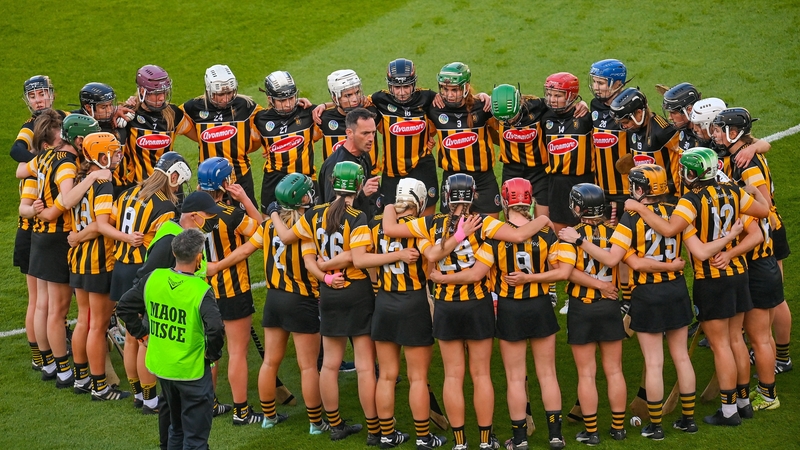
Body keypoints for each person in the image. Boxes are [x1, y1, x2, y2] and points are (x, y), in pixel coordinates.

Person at [560, 165, 742, 439]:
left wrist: (580, 240)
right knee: (681, 357)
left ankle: (656, 426)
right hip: (677, 290)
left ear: (640, 189)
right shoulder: (678, 212)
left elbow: (612, 259)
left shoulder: (630, 218)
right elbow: (700, 252)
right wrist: (729, 237)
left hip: (647, 293)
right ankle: (688, 420)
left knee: (654, 362)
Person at [382, 173, 553, 450]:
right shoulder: (483, 222)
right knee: (481, 375)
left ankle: (460, 442)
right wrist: (544, 219)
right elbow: (521, 233)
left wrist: (391, 205)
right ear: (474, 195)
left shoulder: (431, 222)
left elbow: (390, 229)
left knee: (452, 376)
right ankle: (485, 441)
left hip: (447, 307)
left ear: (446, 197)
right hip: (477, 305)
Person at [624, 147, 770, 426]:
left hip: (711, 279)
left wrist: (640, 207)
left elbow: (669, 230)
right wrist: (752, 191)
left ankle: (728, 412)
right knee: (736, 339)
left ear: (693, 173)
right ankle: (743, 403)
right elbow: (763, 211)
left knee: (720, 346)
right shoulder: (733, 192)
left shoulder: (690, 201)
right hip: (739, 274)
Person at [430, 177, 571, 450]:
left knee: (515, 377)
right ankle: (555, 435)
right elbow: (562, 272)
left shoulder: (495, 236)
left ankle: (518, 439)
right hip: (541, 305)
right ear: (529, 200)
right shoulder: (546, 233)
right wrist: (535, 278)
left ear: (505, 201)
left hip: (509, 308)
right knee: (548, 374)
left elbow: (476, 274)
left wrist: (441, 279)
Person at [268, 161, 380, 444]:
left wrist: (273, 214)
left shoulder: (314, 214)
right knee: (366, 365)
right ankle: (375, 429)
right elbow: (357, 257)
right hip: (356, 290)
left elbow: (289, 240)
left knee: (329, 365)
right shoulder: (358, 216)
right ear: (357, 184)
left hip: (329, 293)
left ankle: (335, 425)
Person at [208, 173, 327, 433]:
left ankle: (268, 417)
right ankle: (316, 423)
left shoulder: (270, 226)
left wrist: (216, 265)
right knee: (308, 366)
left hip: (274, 299)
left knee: (270, 362)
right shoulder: (308, 225)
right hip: (302, 300)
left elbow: (244, 250)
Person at [351, 178, 446, 449]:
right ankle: (423, 438)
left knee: (388, 375)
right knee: (418, 377)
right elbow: (432, 260)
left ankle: (386, 434)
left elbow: (362, 260)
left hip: (384, 303)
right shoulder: (418, 228)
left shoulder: (374, 225)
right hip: (413, 303)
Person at [16, 113, 103, 388]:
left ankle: (49, 363)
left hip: (40, 237)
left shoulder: (44, 157)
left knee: (44, 304)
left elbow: (22, 171)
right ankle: (64, 370)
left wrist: (39, 211)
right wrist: (92, 179)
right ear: (78, 139)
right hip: (56, 239)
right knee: (59, 310)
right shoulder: (66, 163)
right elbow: (67, 198)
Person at [117, 228, 224, 450]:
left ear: (174, 253)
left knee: (176, 429)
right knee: (195, 440)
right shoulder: (200, 289)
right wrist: (211, 355)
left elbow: (125, 306)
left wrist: (142, 333)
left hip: (163, 368)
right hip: (192, 372)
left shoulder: (153, 278)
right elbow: (215, 328)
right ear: (198, 258)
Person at [711, 108, 782, 411]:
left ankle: (768, 396)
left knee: (759, 337)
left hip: (757, 260)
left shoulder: (746, 163)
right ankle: (765, 391)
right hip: (759, 259)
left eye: (718, 129)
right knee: (759, 335)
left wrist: (745, 192)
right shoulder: (742, 154)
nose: (713, 134)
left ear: (733, 131)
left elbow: (764, 206)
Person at [110, 151, 190, 412]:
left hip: (120, 267)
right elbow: (163, 246)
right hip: (141, 271)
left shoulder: (128, 192)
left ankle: (138, 396)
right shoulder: (165, 207)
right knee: (146, 337)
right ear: (174, 175)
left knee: (131, 337)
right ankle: (150, 399)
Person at [556, 183, 626, 446]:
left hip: (582, 307)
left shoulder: (569, 234)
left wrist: (596, 285)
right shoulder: (617, 232)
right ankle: (618, 429)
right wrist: (609, 286)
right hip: (609, 306)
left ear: (578, 207)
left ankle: (592, 431)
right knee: (614, 370)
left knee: (586, 373)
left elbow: (568, 272)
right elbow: (623, 266)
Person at [195, 157, 262, 424]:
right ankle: (241, 411)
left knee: (209, 351)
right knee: (237, 353)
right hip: (233, 289)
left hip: (201, 290)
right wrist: (245, 199)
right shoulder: (230, 213)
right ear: (224, 182)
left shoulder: (190, 212)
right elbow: (264, 228)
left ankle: (209, 403)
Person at [63, 132, 128, 399]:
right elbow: (100, 225)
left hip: (77, 259)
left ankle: (81, 379)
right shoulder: (104, 183)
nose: (117, 156)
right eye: (112, 153)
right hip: (98, 260)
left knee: (83, 321)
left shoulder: (79, 178)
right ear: (100, 156)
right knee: (97, 325)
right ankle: (100, 385)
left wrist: (76, 237)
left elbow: (69, 206)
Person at [179, 64, 263, 208]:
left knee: (249, 221)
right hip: (208, 180)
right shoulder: (193, 107)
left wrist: (296, 105)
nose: (225, 99)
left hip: (240, 177)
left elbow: (272, 120)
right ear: (209, 91)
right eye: (220, 95)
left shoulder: (246, 106)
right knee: (207, 222)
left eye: (229, 93)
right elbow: (169, 117)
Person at [426, 62, 501, 218]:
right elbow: (423, 134)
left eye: (455, 90)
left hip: (483, 180)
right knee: (454, 235)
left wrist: (486, 98)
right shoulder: (434, 109)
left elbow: (503, 135)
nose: (449, 95)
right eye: (445, 89)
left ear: (466, 87)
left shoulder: (483, 107)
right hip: (452, 180)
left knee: (489, 233)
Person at [371, 58, 440, 215]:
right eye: (396, 87)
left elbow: (460, 103)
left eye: (406, 86)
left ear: (414, 84)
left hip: (422, 166)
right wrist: (324, 106)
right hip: (392, 171)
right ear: (390, 86)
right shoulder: (379, 99)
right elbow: (352, 105)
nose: (401, 92)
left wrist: (483, 96)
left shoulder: (428, 97)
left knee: (425, 222)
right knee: (391, 224)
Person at [253, 70, 320, 213]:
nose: (288, 104)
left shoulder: (308, 112)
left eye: (291, 98)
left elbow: (339, 110)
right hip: (274, 179)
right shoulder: (259, 118)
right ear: (270, 99)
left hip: (306, 178)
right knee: (270, 223)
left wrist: (324, 106)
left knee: (314, 224)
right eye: (282, 100)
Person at [123, 65, 194, 190]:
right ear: (141, 91)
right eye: (156, 93)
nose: (162, 97)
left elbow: (200, 137)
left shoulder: (173, 113)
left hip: (170, 189)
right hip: (139, 189)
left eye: (164, 92)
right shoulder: (129, 115)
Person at [541, 72, 594, 231]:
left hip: (583, 182)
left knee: (585, 230)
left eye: (558, 95)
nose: (552, 99)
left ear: (571, 96)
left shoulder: (585, 118)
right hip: (556, 184)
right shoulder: (545, 116)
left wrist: (584, 103)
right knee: (559, 231)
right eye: (549, 94)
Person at [609, 88, 681, 200]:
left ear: (639, 113)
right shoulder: (632, 130)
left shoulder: (662, 130)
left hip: (666, 197)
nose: (624, 127)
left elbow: (683, 154)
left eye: (626, 122)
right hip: (643, 196)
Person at [317, 108, 381, 219]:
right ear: (349, 133)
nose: (371, 138)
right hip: (345, 232)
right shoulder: (336, 165)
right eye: (365, 133)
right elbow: (332, 209)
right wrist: (363, 194)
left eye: (373, 133)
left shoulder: (364, 155)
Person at [316, 69, 381, 174]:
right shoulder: (323, 118)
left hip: (369, 180)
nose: (355, 99)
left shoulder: (371, 112)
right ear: (335, 97)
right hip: (336, 184)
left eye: (357, 93)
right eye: (348, 95)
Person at [76, 82, 130, 194]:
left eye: (111, 105)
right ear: (88, 107)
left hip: (122, 188)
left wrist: (132, 101)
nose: (110, 110)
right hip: (95, 188)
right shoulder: (78, 126)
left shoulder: (118, 121)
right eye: (104, 107)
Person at [11, 75, 69, 164]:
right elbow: (16, 149)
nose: (37, 100)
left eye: (42, 94)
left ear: (52, 96)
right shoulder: (31, 125)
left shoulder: (65, 115)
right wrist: (43, 164)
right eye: (32, 97)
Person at [661, 83, 701, 152]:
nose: (669, 117)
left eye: (673, 113)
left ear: (689, 110)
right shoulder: (682, 128)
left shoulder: (705, 137)